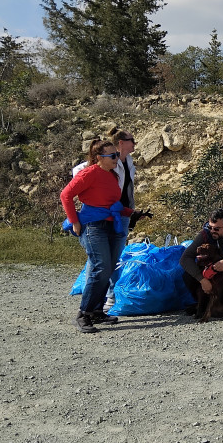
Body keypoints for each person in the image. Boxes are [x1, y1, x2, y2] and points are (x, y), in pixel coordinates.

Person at [60, 140, 136, 333]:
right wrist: (74, 221)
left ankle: (96, 310)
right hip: (93, 226)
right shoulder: (89, 173)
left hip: (109, 224)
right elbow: (66, 195)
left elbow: (111, 203)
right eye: (112, 156)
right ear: (98, 159)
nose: (116, 159)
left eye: (116, 155)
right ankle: (83, 314)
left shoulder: (111, 175)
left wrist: (131, 213)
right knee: (100, 267)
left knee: (107, 268)